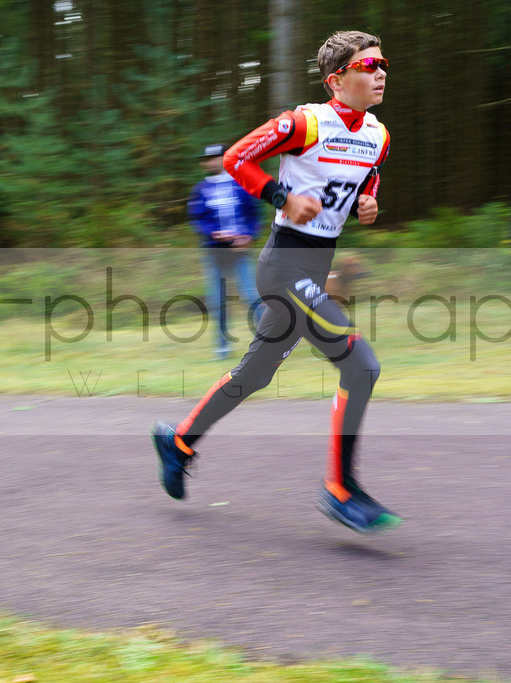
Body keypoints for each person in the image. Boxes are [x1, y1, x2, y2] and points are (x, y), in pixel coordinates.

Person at [152, 30, 399, 533]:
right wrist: (281, 198)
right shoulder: (307, 122)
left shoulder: (379, 134)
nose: (379, 72)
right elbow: (237, 158)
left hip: (313, 266)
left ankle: (177, 441)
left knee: (254, 375)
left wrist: (368, 202)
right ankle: (340, 489)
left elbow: (364, 176)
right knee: (360, 363)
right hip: (284, 265)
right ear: (337, 79)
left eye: (383, 64)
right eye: (368, 66)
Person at [189, 143, 263, 359]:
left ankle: (266, 342)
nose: (214, 161)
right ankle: (222, 345)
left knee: (252, 296)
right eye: (209, 158)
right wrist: (213, 234)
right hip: (214, 253)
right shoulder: (200, 189)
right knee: (218, 299)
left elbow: (254, 214)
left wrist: (249, 235)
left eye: (218, 157)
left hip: (240, 252)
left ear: (226, 158)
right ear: (205, 163)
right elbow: (198, 220)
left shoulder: (241, 184)